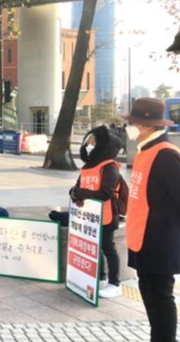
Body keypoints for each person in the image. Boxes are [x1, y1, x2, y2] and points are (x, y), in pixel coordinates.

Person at [122, 98, 180, 342]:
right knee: (149, 293)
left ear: (146, 125)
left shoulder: (166, 155)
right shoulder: (146, 150)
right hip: (143, 237)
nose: (129, 127)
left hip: (159, 242)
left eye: (132, 123)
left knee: (160, 297)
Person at [70, 125, 124, 299]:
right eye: (89, 141)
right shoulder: (87, 166)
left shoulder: (109, 167)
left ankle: (115, 284)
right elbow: (78, 187)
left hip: (107, 215)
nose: (90, 145)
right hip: (88, 216)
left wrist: (81, 193)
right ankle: (100, 277)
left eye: (94, 142)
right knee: (95, 247)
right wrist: (74, 195)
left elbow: (105, 193)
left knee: (108, 248)